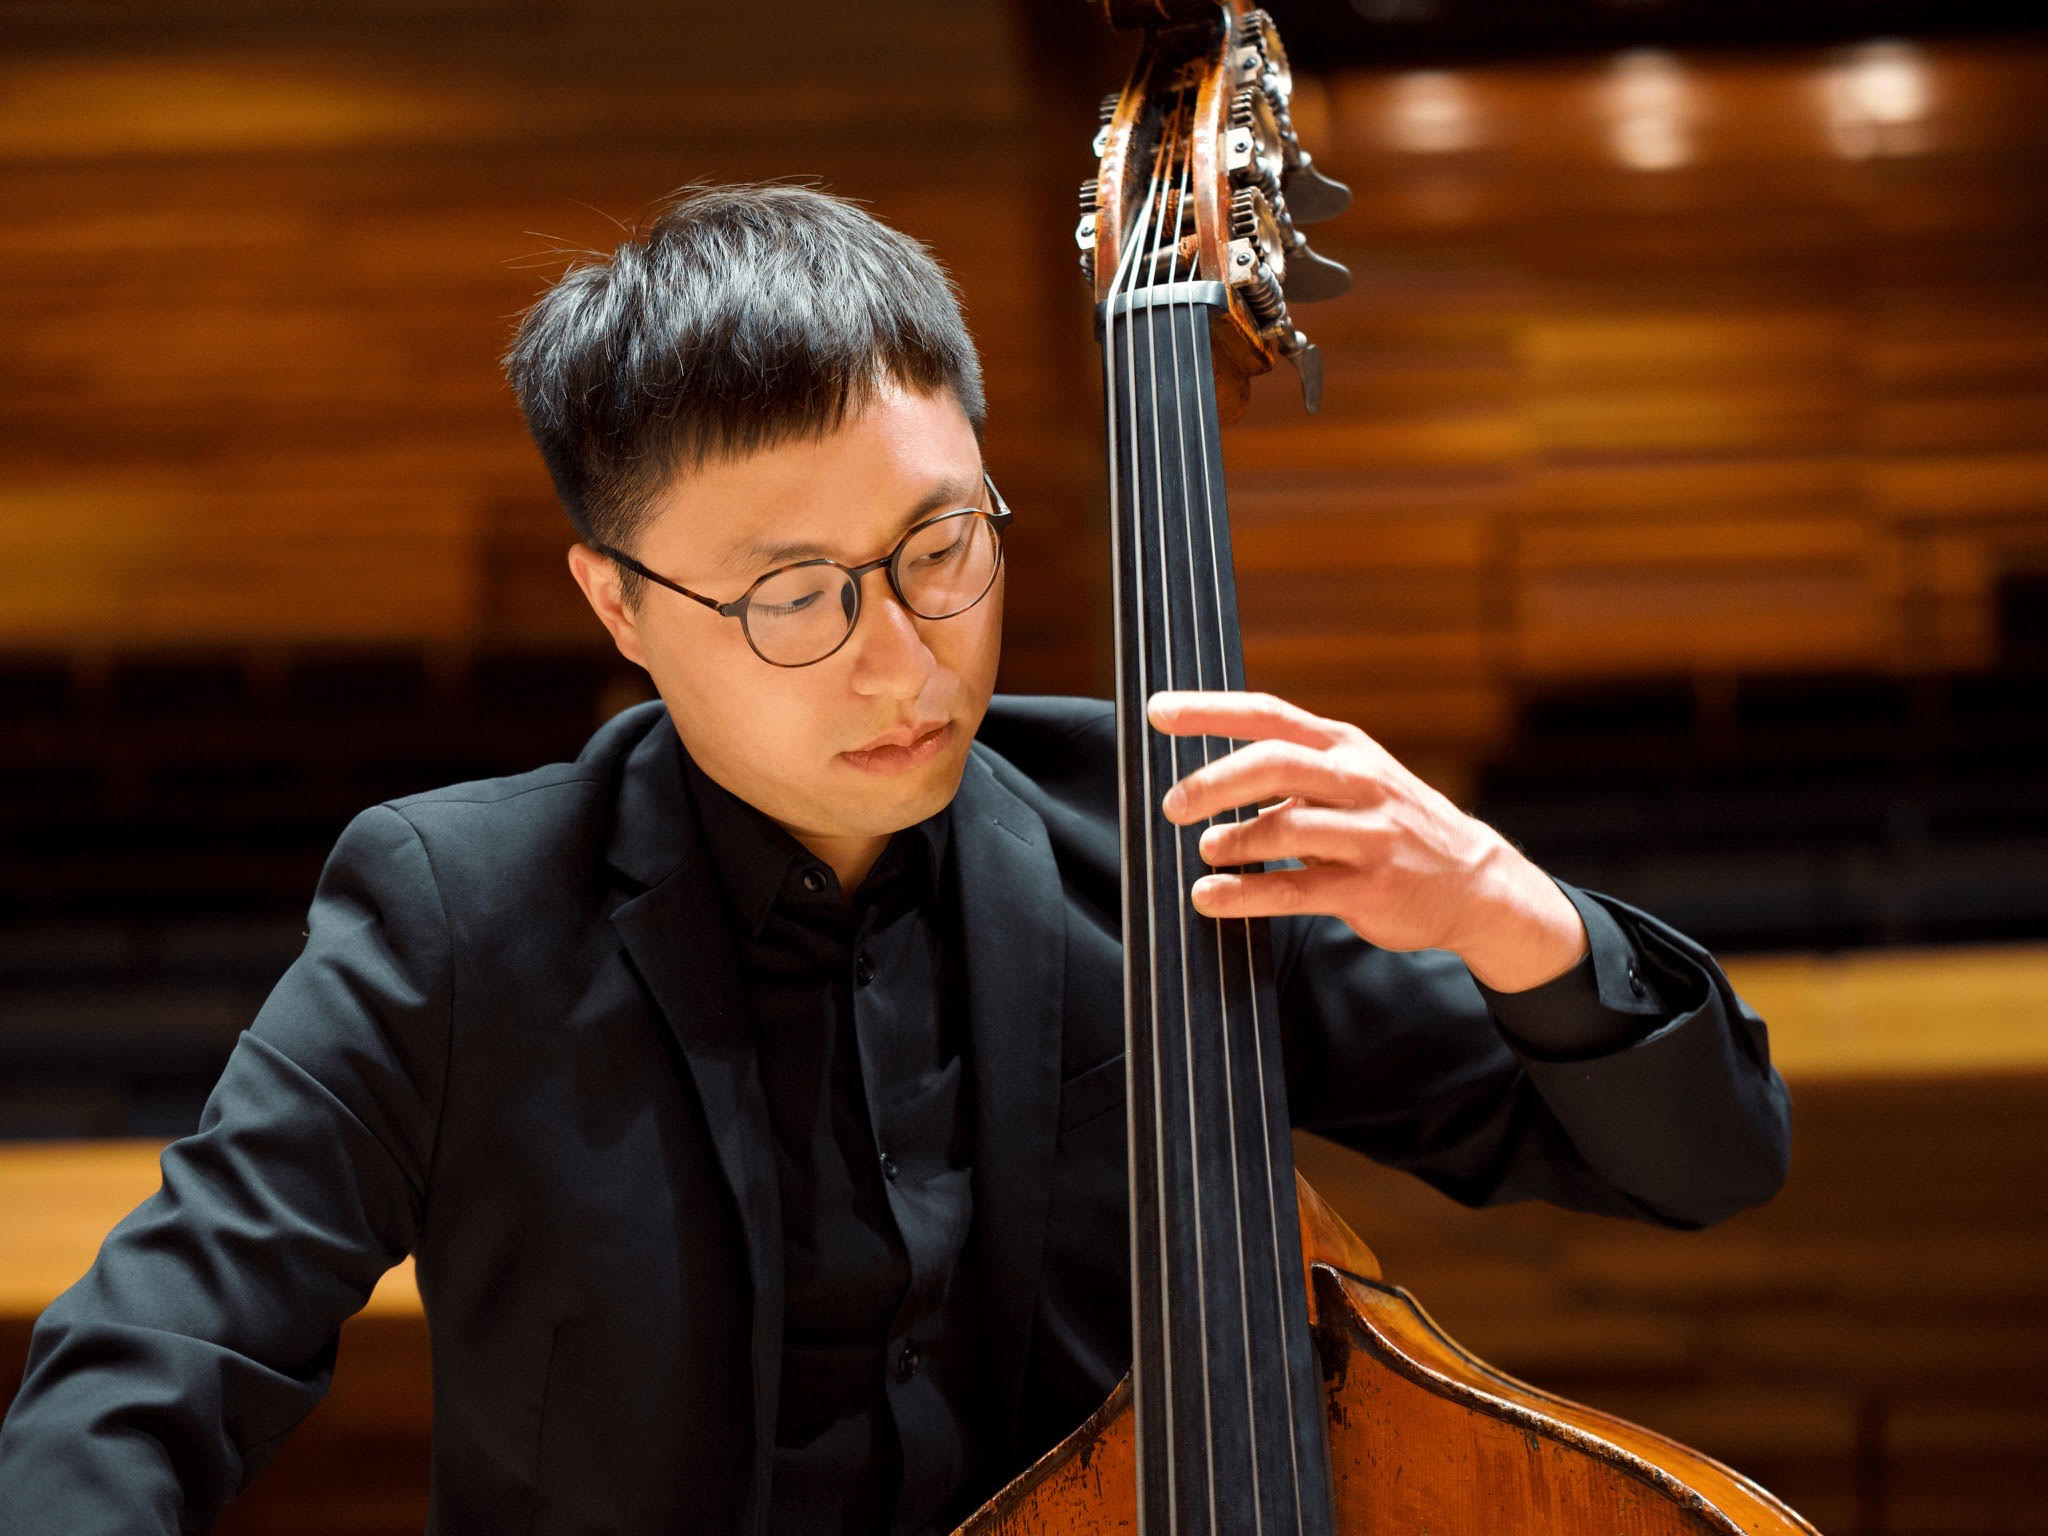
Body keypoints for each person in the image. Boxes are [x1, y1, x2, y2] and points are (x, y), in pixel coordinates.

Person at [0, 185, 1789, 1536]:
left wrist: (1504, 910)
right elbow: (154, 1363)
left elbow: (1704, 1160)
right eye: (795, 596)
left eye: (942, 549)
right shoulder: (456, 918)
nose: (901, 660)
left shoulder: (1164, 837)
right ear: (618, 604)